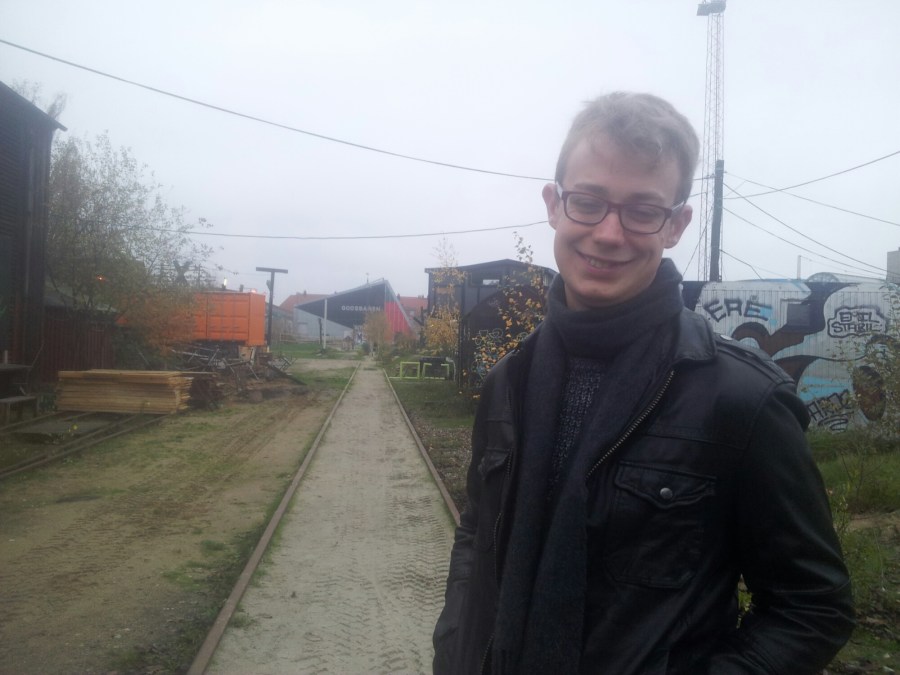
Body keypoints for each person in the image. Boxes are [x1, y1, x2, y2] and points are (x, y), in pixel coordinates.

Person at [432, 92, 854, 675]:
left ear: (675, 224)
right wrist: (453, 644)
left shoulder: (742, 400)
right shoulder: (510, 379)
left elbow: (813, 607)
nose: (609, 233)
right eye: (588, 202)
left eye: (642, 210)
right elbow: (478, 531)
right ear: (554, 205)